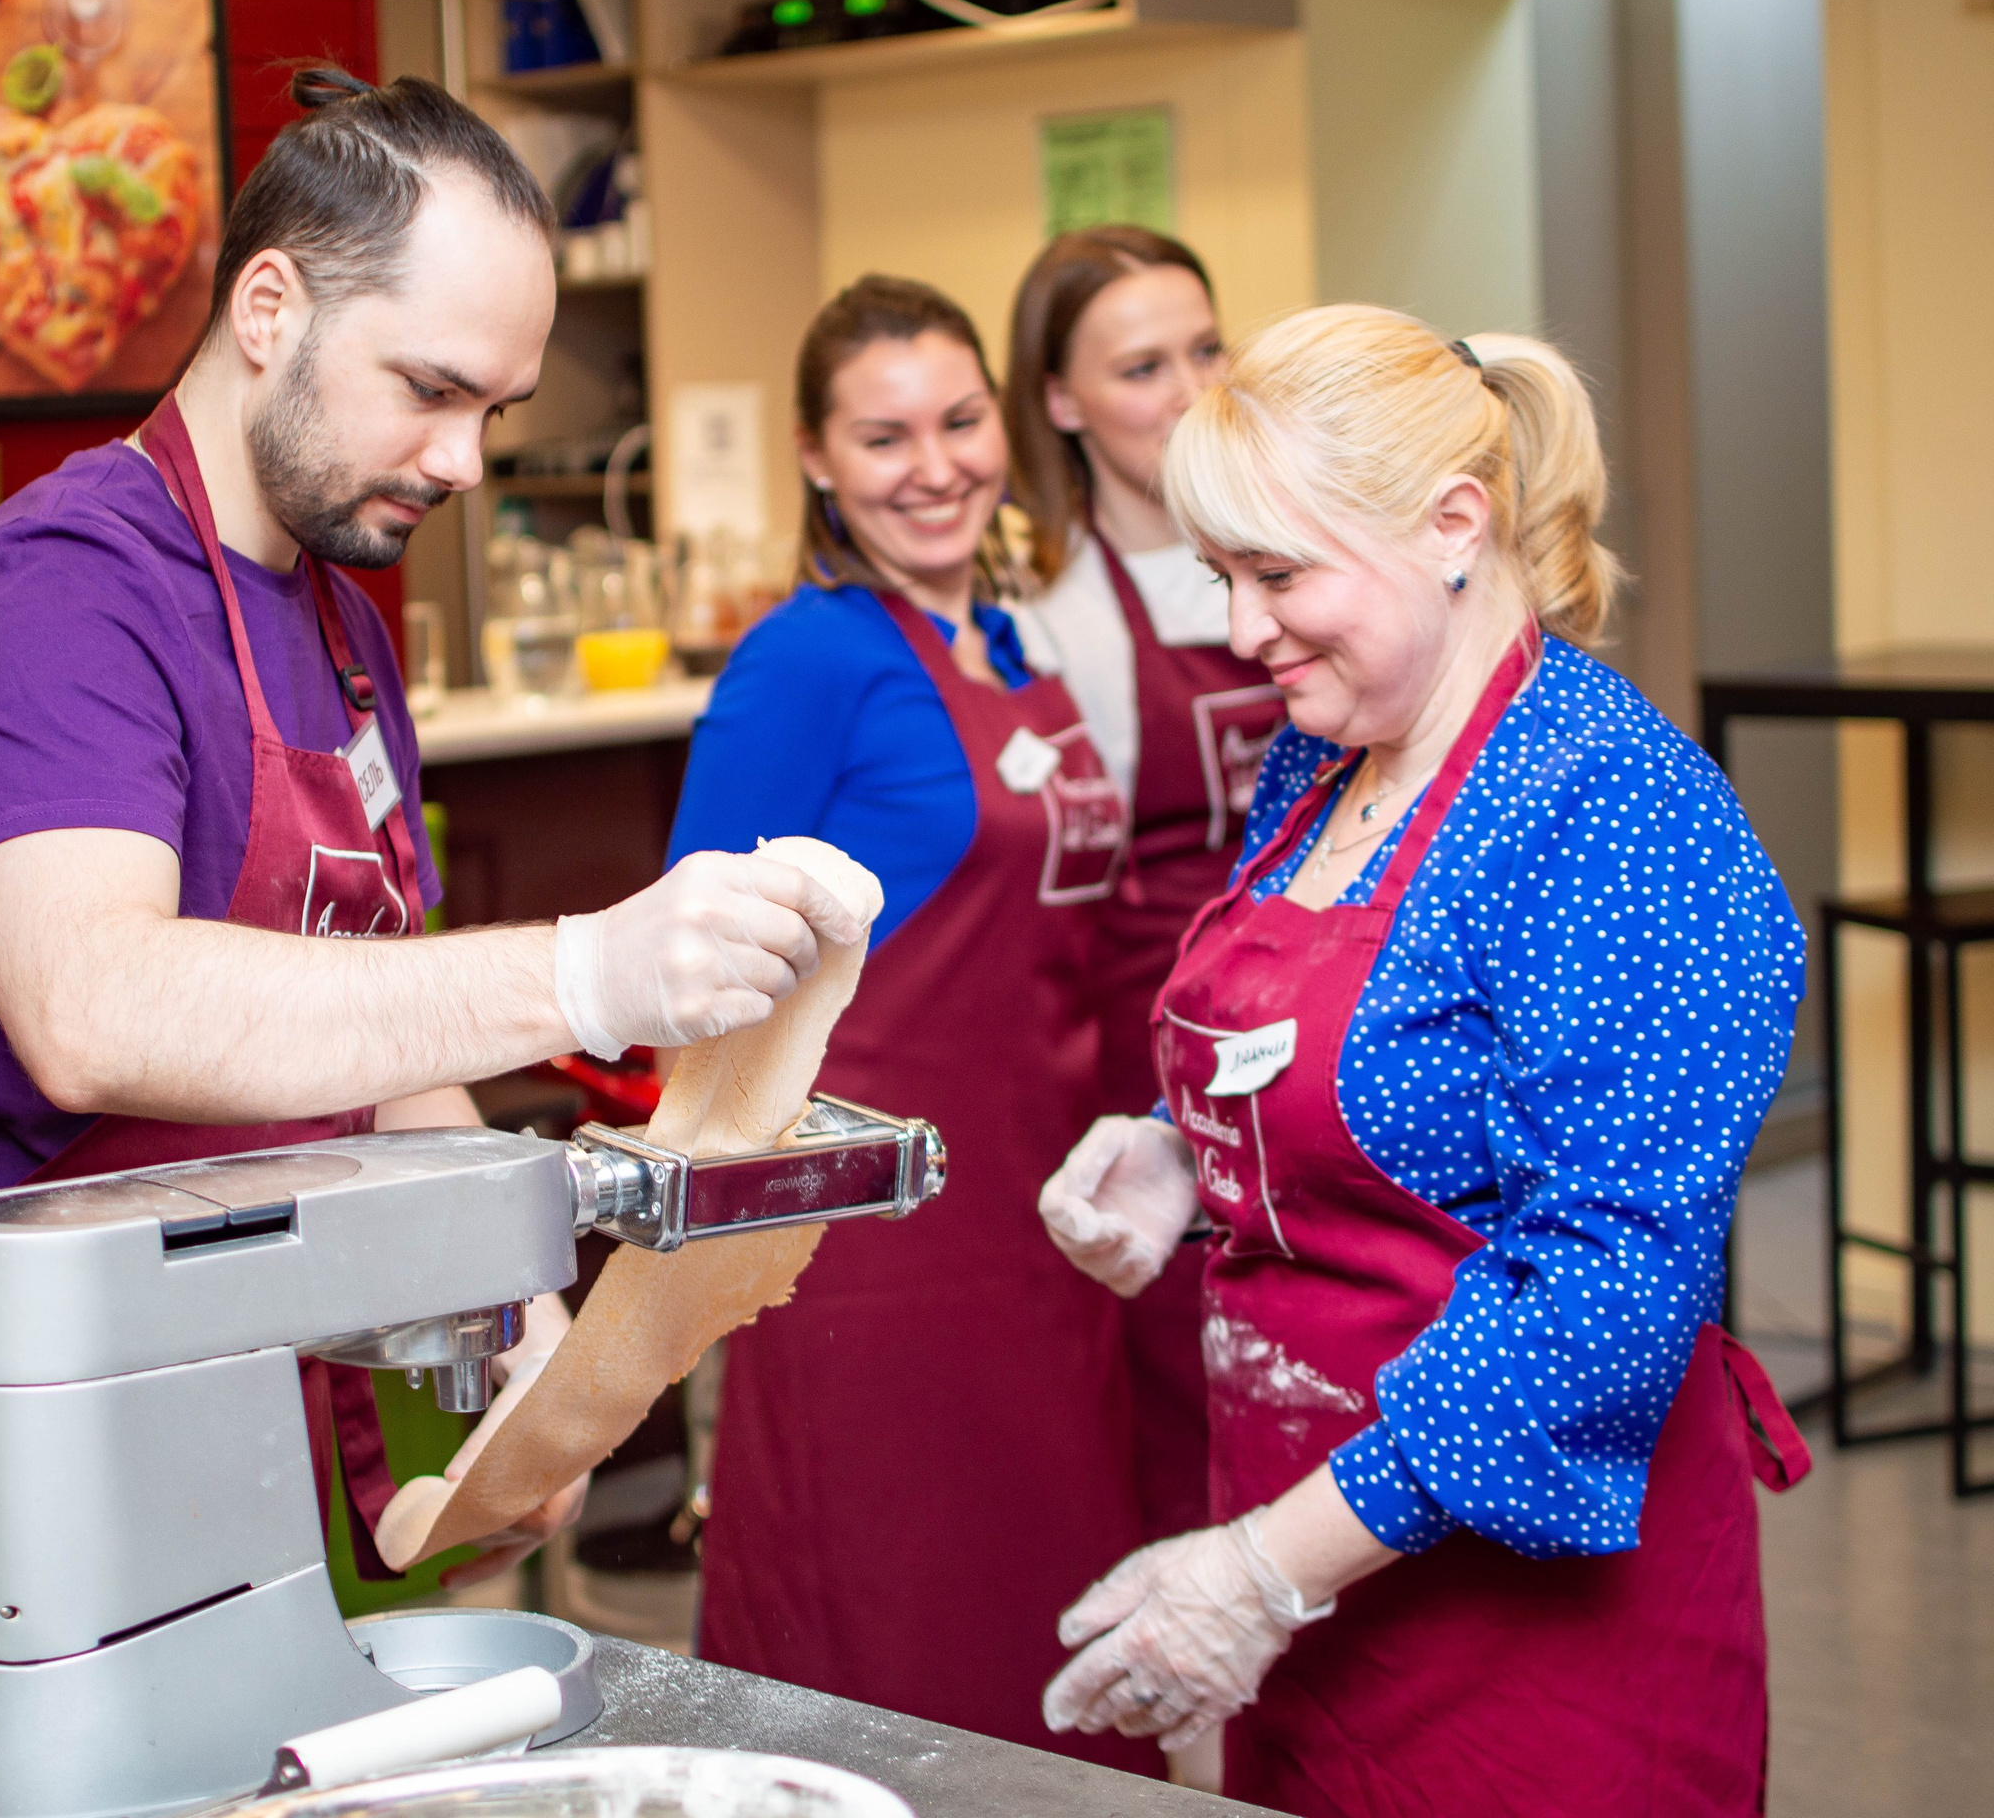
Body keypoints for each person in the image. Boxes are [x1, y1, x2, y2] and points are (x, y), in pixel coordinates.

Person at [0, 70, 862, 1813]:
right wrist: (583, 972)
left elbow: (376, 1032)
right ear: (270, 307)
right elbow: (92, 1007)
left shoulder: (344, 628)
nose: (463, 462)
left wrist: (523, 1323)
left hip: (236, 1364)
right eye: (429, 391)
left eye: (496, 409)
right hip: (19, 1408)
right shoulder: (62, 591)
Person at [1035, 304, 1811, 1816]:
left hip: (1531, 1635)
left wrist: (1265, 1571)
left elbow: (1607, 1292)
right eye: (1222, 578)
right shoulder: (1321, 759)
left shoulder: (1614, 812)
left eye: (1280, 574)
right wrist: (1185, 1155)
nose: (1243, 631)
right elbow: (1374, 1082)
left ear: (1454, 524)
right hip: (1312, 1586)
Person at [669, 275, 1161, 1775]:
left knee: (1045, 1629)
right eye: (885, 439)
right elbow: (691, 973)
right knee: (891, 1632)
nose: (935, 467)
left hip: (1044, 1221)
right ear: (817, 457)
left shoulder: (1011, 642)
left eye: (960, 423)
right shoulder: (808, 661)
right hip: (877, 1245)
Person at [1002, 228, 1284, 1606]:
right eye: (1141, 367)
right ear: (1060, 401)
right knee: (1179, 1374)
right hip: (1145, 1036)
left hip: (1307, 1009)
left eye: (1207, 348)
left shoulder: (1298, 553)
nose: (1190, 391)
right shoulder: (1038, 608)